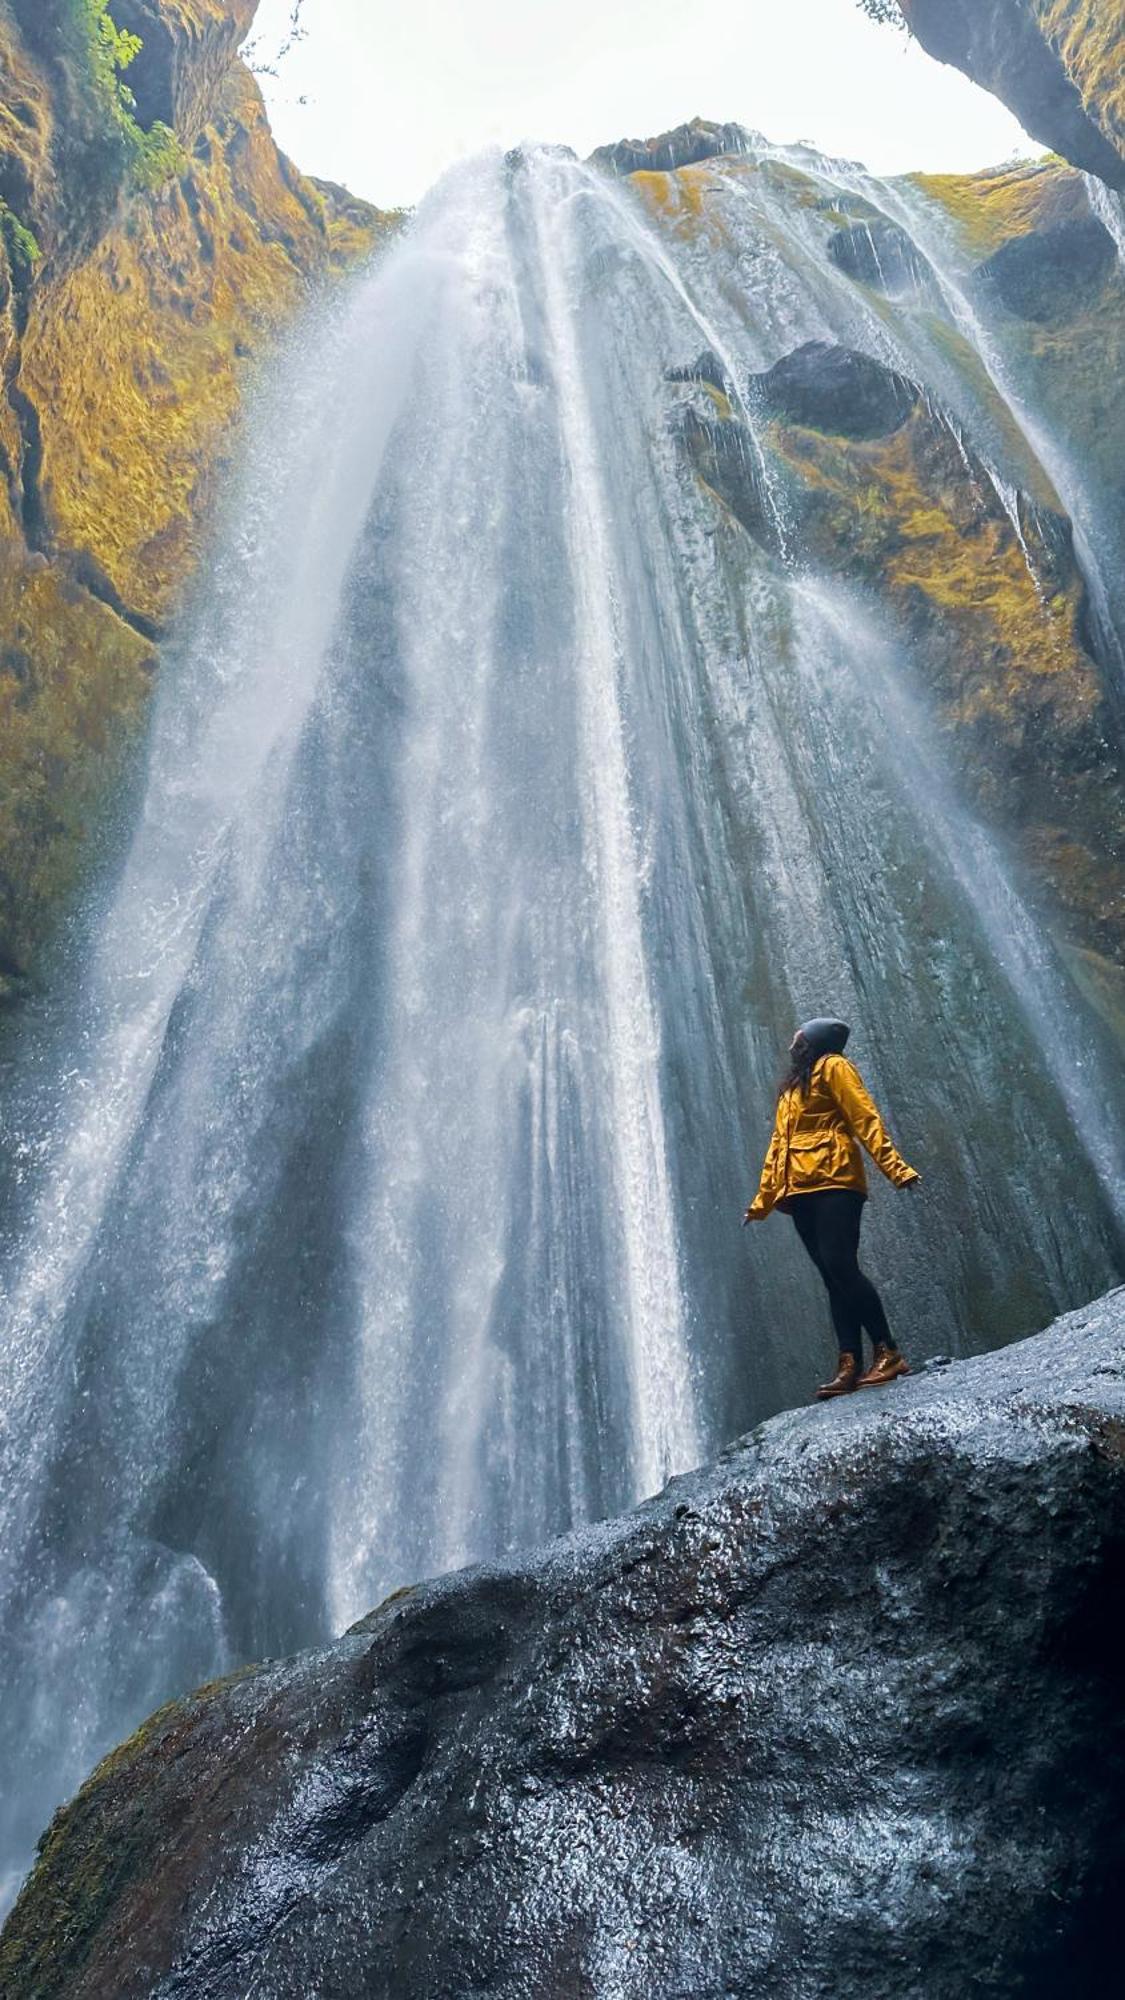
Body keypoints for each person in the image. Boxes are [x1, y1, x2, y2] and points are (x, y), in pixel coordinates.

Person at [743, 1017, 919, 1400]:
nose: (792, 1041)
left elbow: (864, 1117)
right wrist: (763, 1200)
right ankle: (849, 1364)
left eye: (798, 1035)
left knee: (841, 1265)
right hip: (801, 1189)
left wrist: (895, 1167)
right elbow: (779, 1147)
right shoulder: (793, 1088)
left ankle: (888, 1351)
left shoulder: (834, 1068)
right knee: (831, 1276)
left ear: (814, 1040)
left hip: (835, 1181)